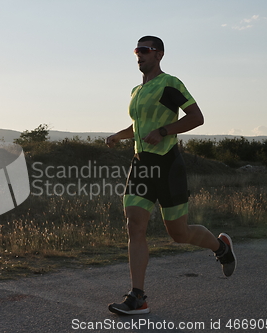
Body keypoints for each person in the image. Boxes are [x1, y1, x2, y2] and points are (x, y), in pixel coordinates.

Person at [105, 36, 236, 315]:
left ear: (159, 55)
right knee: (134, 225)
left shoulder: (169, 84)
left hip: (167, 165)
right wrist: (119, 135)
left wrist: (164, 132)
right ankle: (137, 296)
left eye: (145, 50)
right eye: (136, 50)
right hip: (141, 164)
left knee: (179, 233)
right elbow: (140, 126)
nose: (139, 55)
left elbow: (196, 118)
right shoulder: (136, 91)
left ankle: (221, 247)